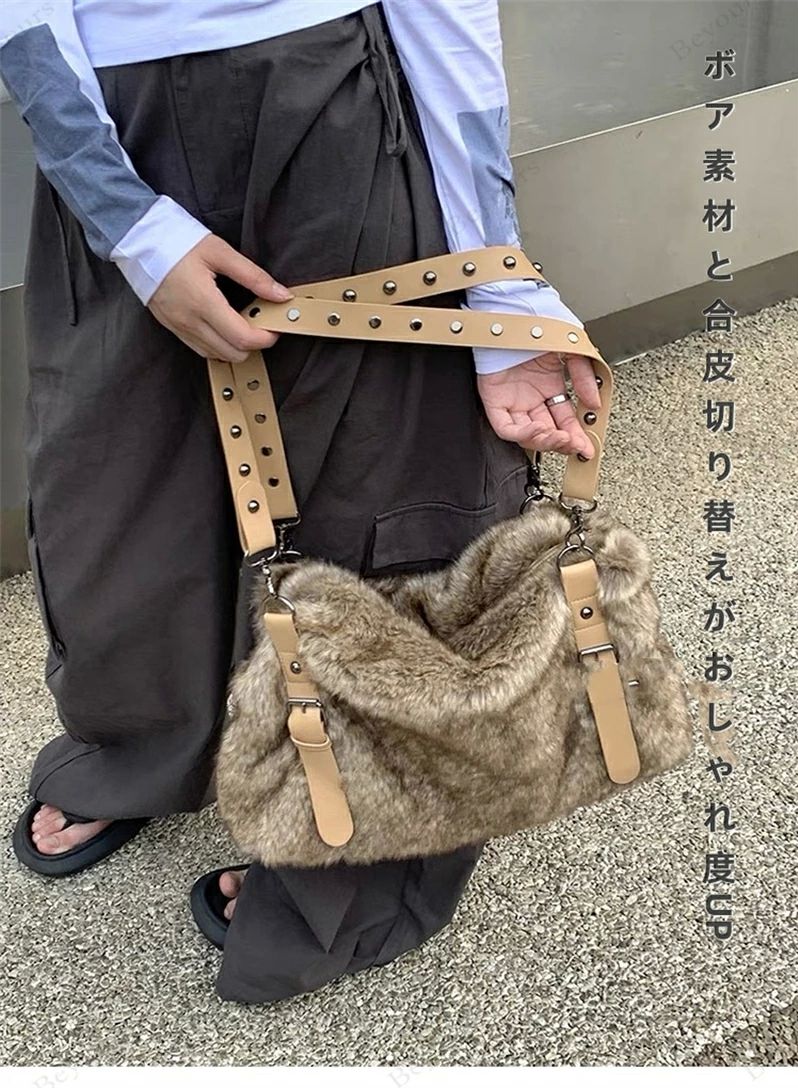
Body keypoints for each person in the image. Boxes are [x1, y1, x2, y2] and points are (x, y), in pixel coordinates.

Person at [0, 0, 601, 1002]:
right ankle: (147, 740)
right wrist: (123, 214)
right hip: (111, 109)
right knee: (115, 489)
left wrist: (499, 284)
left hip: (330, 108)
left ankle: (357, 854)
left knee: (380, 500)